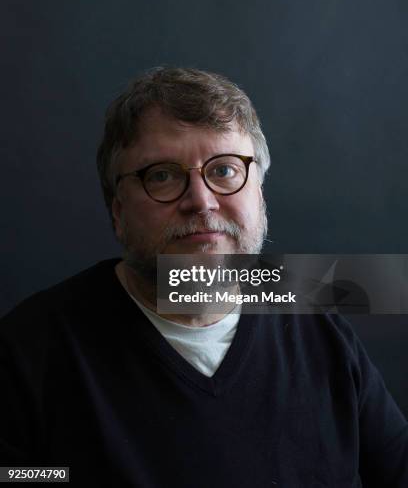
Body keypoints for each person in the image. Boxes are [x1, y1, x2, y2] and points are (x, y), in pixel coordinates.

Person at [0, 67, 407, 487]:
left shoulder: (315, 315)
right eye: (162, 175)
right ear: (118, 212)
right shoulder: (31, 349)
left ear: (260, 196)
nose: (201, 201)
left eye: (225, 170)